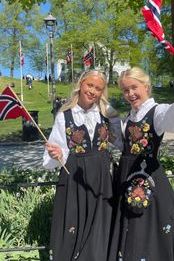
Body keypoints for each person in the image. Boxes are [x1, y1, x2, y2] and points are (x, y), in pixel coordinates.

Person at [108, 63, 174, 261]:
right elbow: (122, 145)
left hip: (148, 179)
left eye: (134, 88)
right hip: (126, 180)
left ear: (146, 87)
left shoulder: (156, 112)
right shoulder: (128, 119)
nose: (130, 93)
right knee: (129, 230)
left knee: (149, 228)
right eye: (125, 90)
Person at [43, 70, 122, 261]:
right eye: (90, 85)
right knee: (74, 226)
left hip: (102, 179)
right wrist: (58, 154)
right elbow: (53, 155)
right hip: (75, 178)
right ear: (81, 84)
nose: (93, 91)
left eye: (98, 88)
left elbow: (121, 142)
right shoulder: (64, 116)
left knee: (100, 229)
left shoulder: (107, 114)